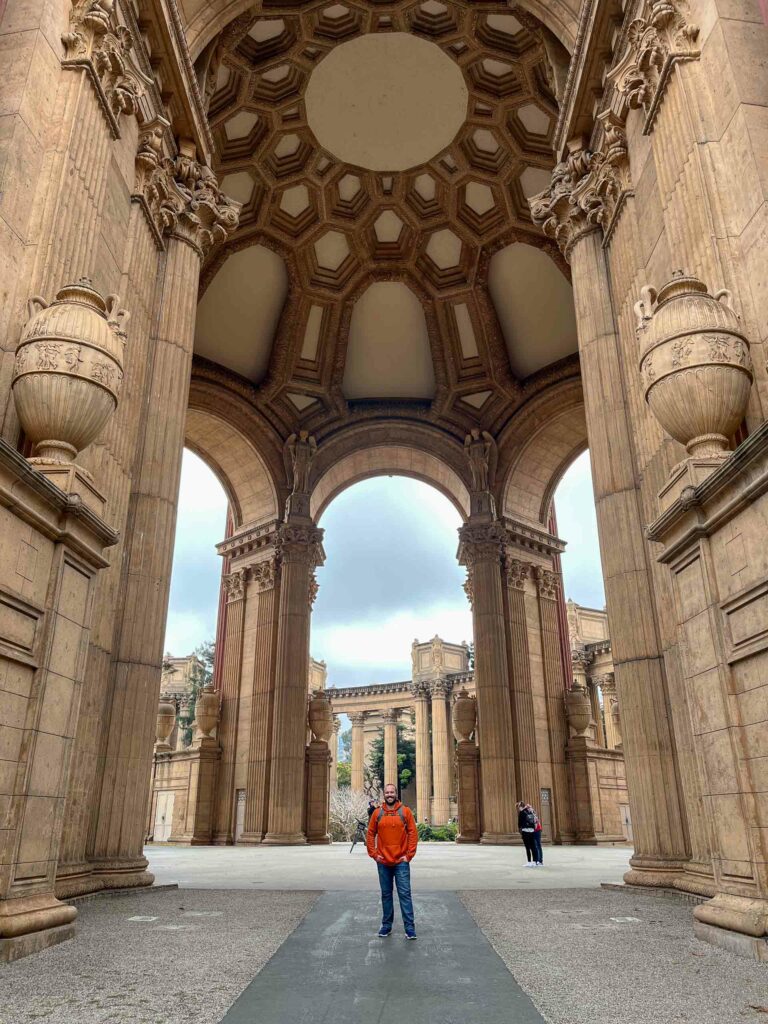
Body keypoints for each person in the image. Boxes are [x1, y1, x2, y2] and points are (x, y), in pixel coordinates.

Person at [367, 782, 418, 939]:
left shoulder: (405, 812)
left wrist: (409, 855)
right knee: (386, 894)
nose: (389, 794)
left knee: (405, 894)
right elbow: (370, 834)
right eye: (387, 792)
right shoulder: (377, 813)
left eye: (392, 792)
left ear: (396, 794)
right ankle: (386, 926)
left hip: (401, 861)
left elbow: (413, 833)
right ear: (384, 794)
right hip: (383, 861)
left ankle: (409, 928)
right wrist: (374, 854)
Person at [517, 800, 537, 866]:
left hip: (525, 831)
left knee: (527, 847)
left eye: (518, 807)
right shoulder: (530, 811)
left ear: (520, 806)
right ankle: (534, 862)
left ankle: (529, 862)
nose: (518, 808)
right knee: (533, 846)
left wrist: (520, 829)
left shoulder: (521, 812)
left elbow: (519, 823)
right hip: (532, 831)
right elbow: (534, 821)